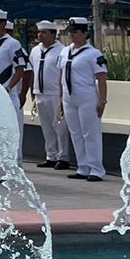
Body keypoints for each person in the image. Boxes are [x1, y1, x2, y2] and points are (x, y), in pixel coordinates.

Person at [60, 17, 107, 182]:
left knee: (90, 133)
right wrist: (61, 98)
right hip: (68, 96)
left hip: (86, 95)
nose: (73, 35)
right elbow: (61, 75)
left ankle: (96, 169)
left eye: (76, 32)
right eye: (71, 32)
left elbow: (101, 77)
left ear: (85, 33)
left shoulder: (93, 54)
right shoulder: (65, 52)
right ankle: (83, 166)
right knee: (75, 133)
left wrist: (102, 101)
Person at [30, 21, 73, 170]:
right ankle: (51, 155)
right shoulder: (35, 50)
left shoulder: (62, 50)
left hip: (55, 93)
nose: (40, 35)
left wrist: (62, 96)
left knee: (59, 126)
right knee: (46, 127)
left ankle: (63, 157)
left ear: (54, 34)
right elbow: (33, 72)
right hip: (40, 92)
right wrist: (32, 92)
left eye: (44, 32)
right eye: (39, 32)